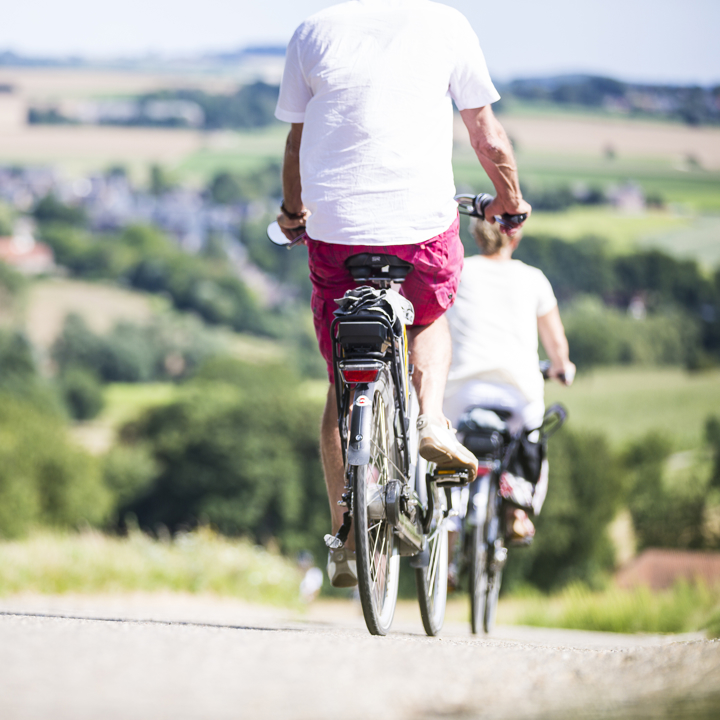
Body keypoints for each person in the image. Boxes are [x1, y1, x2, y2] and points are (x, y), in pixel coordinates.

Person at [274, 0, 531, 587]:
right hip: (419, 227)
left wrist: (294, 212)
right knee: (432, 313)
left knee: (343, 378)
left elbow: (297, 144)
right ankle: (432, 420)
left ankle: (345, 531)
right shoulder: (447, 24)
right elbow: (486, 135)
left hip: (333, 231)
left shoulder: (311, 30)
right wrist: (509, 200)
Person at [443, 219, 575, 543]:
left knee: (449, 446)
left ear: (475, 237)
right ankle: (517, 511)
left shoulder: (457, 271)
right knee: (529, 440)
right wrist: (562, 366)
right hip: (517, 394)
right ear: (514, 240)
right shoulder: (533, 279)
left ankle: (446, 528)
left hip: (461, 391)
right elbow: (556, 343)